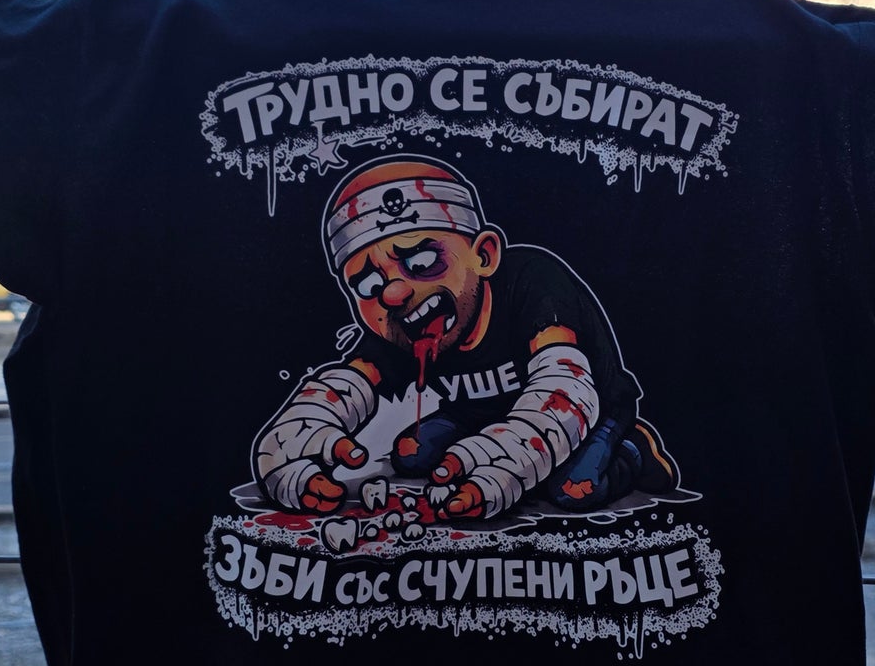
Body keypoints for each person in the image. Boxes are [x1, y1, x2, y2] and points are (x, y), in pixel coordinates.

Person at [253, 154, 677, 521]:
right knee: (410, 455)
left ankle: (634, 450)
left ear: (484, 255)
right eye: (367, 285)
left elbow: (564, 392)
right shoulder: (400, 326)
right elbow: (344, 386)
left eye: (421, 260)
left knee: (572, 490)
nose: (394, 293)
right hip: (477, 414)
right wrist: (293, 443)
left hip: (596, 409)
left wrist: (504, 463)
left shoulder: (534, 282)